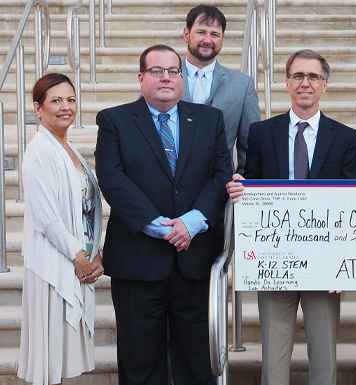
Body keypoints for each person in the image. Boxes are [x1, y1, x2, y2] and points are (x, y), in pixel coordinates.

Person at [95, 44, 232, 384]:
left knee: (197, 363)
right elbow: (112, 179)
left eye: (173, 71)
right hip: (137, 262)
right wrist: (161, 228)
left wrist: (192, 222)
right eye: (157, 71)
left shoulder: (209, 119)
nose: (166, 78)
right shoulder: (114, 120)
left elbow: (221, 175)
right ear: (142, 78)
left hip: (195, 261)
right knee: (140, 363)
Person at [226, 49, 356, 385]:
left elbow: (350, 204)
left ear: (324, 85)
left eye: (313, 76)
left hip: (324, 262)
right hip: (274, 260)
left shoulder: (346, 138)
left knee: (325, 355)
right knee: (273, 356)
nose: (305, 83)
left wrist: (344, 263)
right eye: (298, 76)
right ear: (287, 83)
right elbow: (251, 186)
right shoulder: (260, 133)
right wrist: (241, 189)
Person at [17, 73, 104, 385]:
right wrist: (79, 258)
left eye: (70, 99)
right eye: (56, 101)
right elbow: (47, 217)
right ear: (38, 108)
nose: (65, 107)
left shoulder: (71, 150)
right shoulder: (39, 149)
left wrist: (97, 254)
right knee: (49, 361)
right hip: (54, 264)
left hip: (77, 259)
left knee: (61, 360)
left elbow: (88, 208)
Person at [181, 4, 261, 171]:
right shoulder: (163, 78)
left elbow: (251, 147)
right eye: (201, 32)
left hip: (221, 190)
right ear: (186, 34)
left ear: (222, 39)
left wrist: (242, 184)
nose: (207, 40)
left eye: (214, 34)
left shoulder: (243, 85)